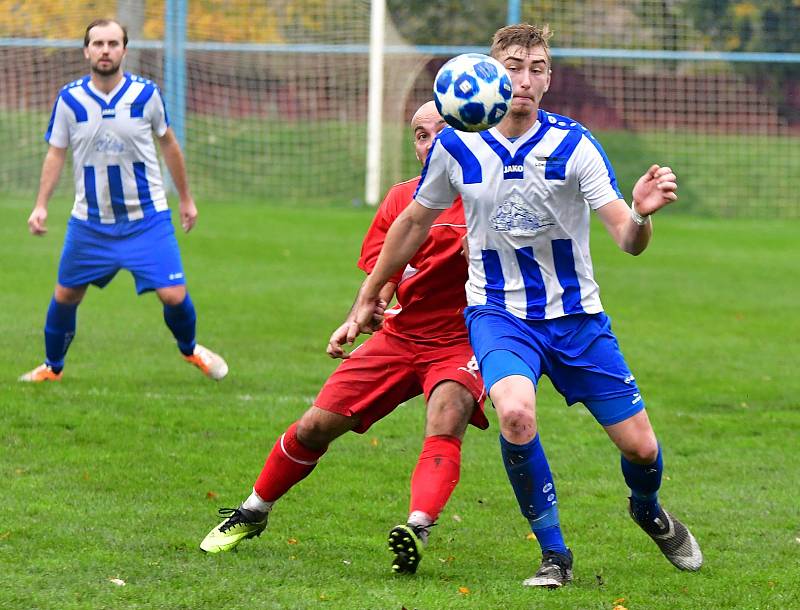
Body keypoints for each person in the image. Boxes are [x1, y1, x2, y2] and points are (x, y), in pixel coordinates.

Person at [344, 24, 703, 588]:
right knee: (514, 414)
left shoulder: (575, 145)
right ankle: (555, 555)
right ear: (491, 72)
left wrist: (641, 213)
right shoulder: (457, 143)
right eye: (513, 66)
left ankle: (647, 509)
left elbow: (626, 240)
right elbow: (413, 221)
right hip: (498, 315)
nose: (525, 79)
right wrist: (368, 298)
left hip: (576, 318)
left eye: (537, 68)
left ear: (549, 78)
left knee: (642, 447)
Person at [199, 101, 488, 575]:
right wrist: (360, 315)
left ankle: (416, 528)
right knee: (314, 425)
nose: (430, 142)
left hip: (463, 340)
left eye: (441, 131)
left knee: (447, 415)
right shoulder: (401, 201)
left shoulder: (490, 197)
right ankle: (253, 511)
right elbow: (385, 274)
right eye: (419, 134)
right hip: (401, 336)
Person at [19, 19, 227, 383]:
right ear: (86, 51)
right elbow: (56, 153)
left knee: (174, 295)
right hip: (89, 223)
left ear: (124, 51)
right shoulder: (70, 99)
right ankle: (52, 368)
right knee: (65, 295)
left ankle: (190, 348)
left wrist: (186, 199)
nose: (105, 50)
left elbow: (169, 146)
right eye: (97, 43)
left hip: (147, 219)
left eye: (113, 43)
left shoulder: (147, 95)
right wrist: (41, 204)